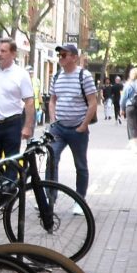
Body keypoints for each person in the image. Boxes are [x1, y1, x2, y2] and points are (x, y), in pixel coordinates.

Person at [47, 42, 98, 213]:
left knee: (81, 165)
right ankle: (50, 199)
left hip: (78, 128)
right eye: (59, 55)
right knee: (51, 159)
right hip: (59, 128)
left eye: (64, 55)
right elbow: (52, 100)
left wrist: (83, 125)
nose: (60, 58)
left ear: (74, 58)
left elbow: (92, 103)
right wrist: (53, 120)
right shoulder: (56, 77)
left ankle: (80, 200)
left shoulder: (84, 76)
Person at [0, 38, 35, 166]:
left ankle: (9, 184)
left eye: (3, 51)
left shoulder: (21, 74)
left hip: (12, 124)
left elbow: (29, 101)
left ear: (13, 54)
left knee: (11, 163)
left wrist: (27, 126)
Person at [120, 67, 137, 151]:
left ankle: (134, 145)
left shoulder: (128, 85)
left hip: (130, 107)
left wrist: (122, 108)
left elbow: (124, 98)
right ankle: (133, 142)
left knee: (131, 125)